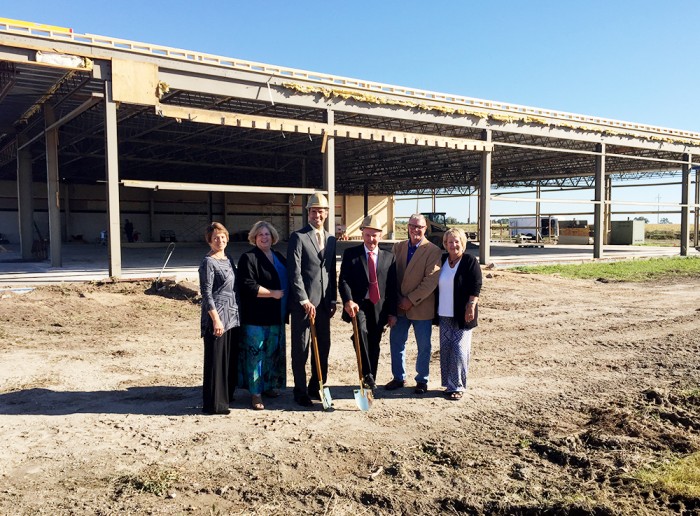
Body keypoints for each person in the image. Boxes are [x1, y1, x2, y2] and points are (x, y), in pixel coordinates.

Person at [287, 193, 337, 407]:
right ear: (308, 213)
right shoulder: (298, 237)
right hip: (304, 305)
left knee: (323, 347)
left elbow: (331, 272)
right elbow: (294, 272)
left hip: (324, 305)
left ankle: (316, 385)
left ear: (326, 214)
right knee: (301, 349)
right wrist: (303, 300)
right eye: (313, 211)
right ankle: (299, 391)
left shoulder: (331, 239)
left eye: (321, 211)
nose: (317, 214)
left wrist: (333, 299)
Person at [338, 214, 397, 390]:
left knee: (374, 341)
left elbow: (393, 287)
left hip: (380, 306)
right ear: (362, 234)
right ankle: (367, 375)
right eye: (368, 235)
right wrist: (348, 301)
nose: (371, 239)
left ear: (380, 235)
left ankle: (371, 378)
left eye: (375, 235)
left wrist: (393, 312)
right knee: (361, 332)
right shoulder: (351, 254)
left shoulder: (389, 257)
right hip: (358, 305)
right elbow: (343, 280)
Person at [386, 213, 442, 394]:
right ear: (407, 227)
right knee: (396, 343)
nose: (415, 230)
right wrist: (397, 300)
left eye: (420, 227)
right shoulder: (398, 247)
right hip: (399, 307)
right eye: (412, 226)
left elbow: (431, 280)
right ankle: (398, 377)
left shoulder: (433, 250)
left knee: (424, 346)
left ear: (425, 229)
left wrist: (410, 300)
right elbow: (390, 276)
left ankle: (422, 380)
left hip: (421, 307)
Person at [237, 221, 288, 411]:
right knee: (256, 355)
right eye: (260, 235)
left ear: (272, 236)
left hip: (277, 315)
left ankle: (269, 386)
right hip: (256, 317)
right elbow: (247, 284)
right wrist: (272, 293)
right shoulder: (248, 258)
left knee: (272, 353)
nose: (264, 237)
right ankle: (256, 393)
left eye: (267, 234)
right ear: (254, 238)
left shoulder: (279, 257)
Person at [434, 228, 482, 400]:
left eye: (456, 241)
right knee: (446, 349)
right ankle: (449, 383)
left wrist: (471, 305)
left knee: (459, 349)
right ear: (445, 244)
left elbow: (476, 284)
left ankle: (458, 386)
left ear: (462, 242)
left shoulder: (469, 260)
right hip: (444, 313)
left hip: (463, 313)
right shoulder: (443, 260)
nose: (453, 245)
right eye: (449, 242)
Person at [198, 222, 240, 415]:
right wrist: (215, 319)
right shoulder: (208, 262)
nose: (220, 240)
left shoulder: (228, 258)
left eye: (222, 236)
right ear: (209, 241)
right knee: (216, 361)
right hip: (217, 318)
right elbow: (206, 294)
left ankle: (227, 397)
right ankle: (215, 404)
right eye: (215, 237)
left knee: (228, 360)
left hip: (232, 315)